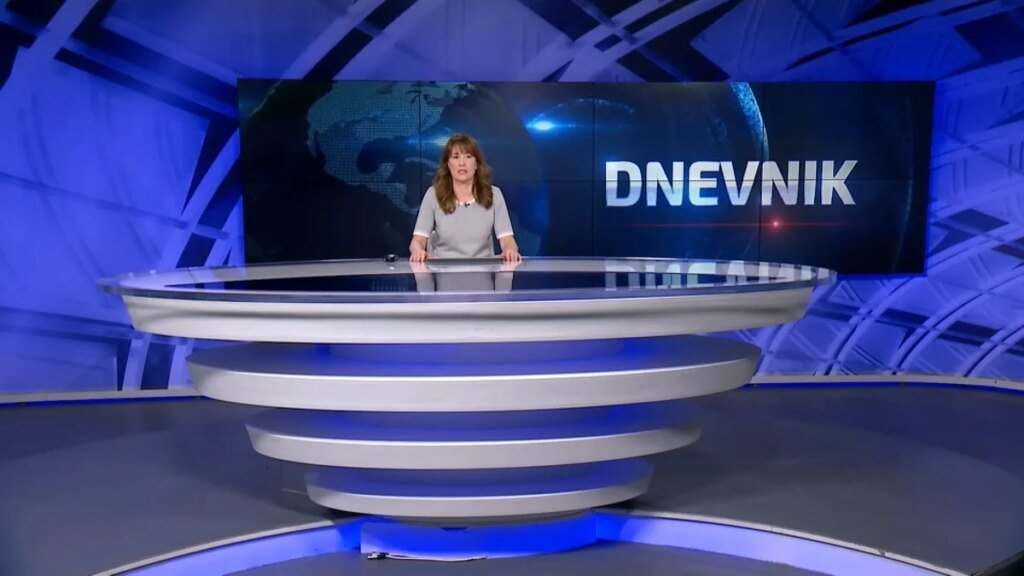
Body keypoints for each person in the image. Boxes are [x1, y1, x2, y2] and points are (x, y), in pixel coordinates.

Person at [409, 134, 522, 262]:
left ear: (476, 164)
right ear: (447, 164)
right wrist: (418, 251)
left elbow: (507, 240)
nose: (462, 163)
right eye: (456, 157)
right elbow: (418, 240)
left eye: (468, 156)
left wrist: (510, 250)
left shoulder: (494, 194)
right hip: (442, 271)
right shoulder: (433, 194)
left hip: (483, 270)